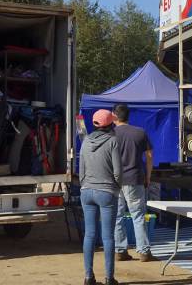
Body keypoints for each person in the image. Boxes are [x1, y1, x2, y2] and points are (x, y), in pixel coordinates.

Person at [80, 109, 122, 285]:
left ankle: (88, 278)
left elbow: (80, 168)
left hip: (86, 191)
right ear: (110, 124)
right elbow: (118, 172)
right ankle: (109, 278)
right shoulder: (113, 141)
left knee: (89, 235)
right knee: (107, 237)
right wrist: (116, 188)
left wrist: (84, 185)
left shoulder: (86, 140)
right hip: (106, 192)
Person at [112, 104, 155, 262]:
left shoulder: (110, 134)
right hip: (135, 178)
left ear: (114, 116)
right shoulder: (140, 132)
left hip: (115, 180)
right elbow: (149, 155)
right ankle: (144, 251)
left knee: (117, 216)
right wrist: (148, 176)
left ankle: (120, 251)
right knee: (138, 216)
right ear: (128, 116)